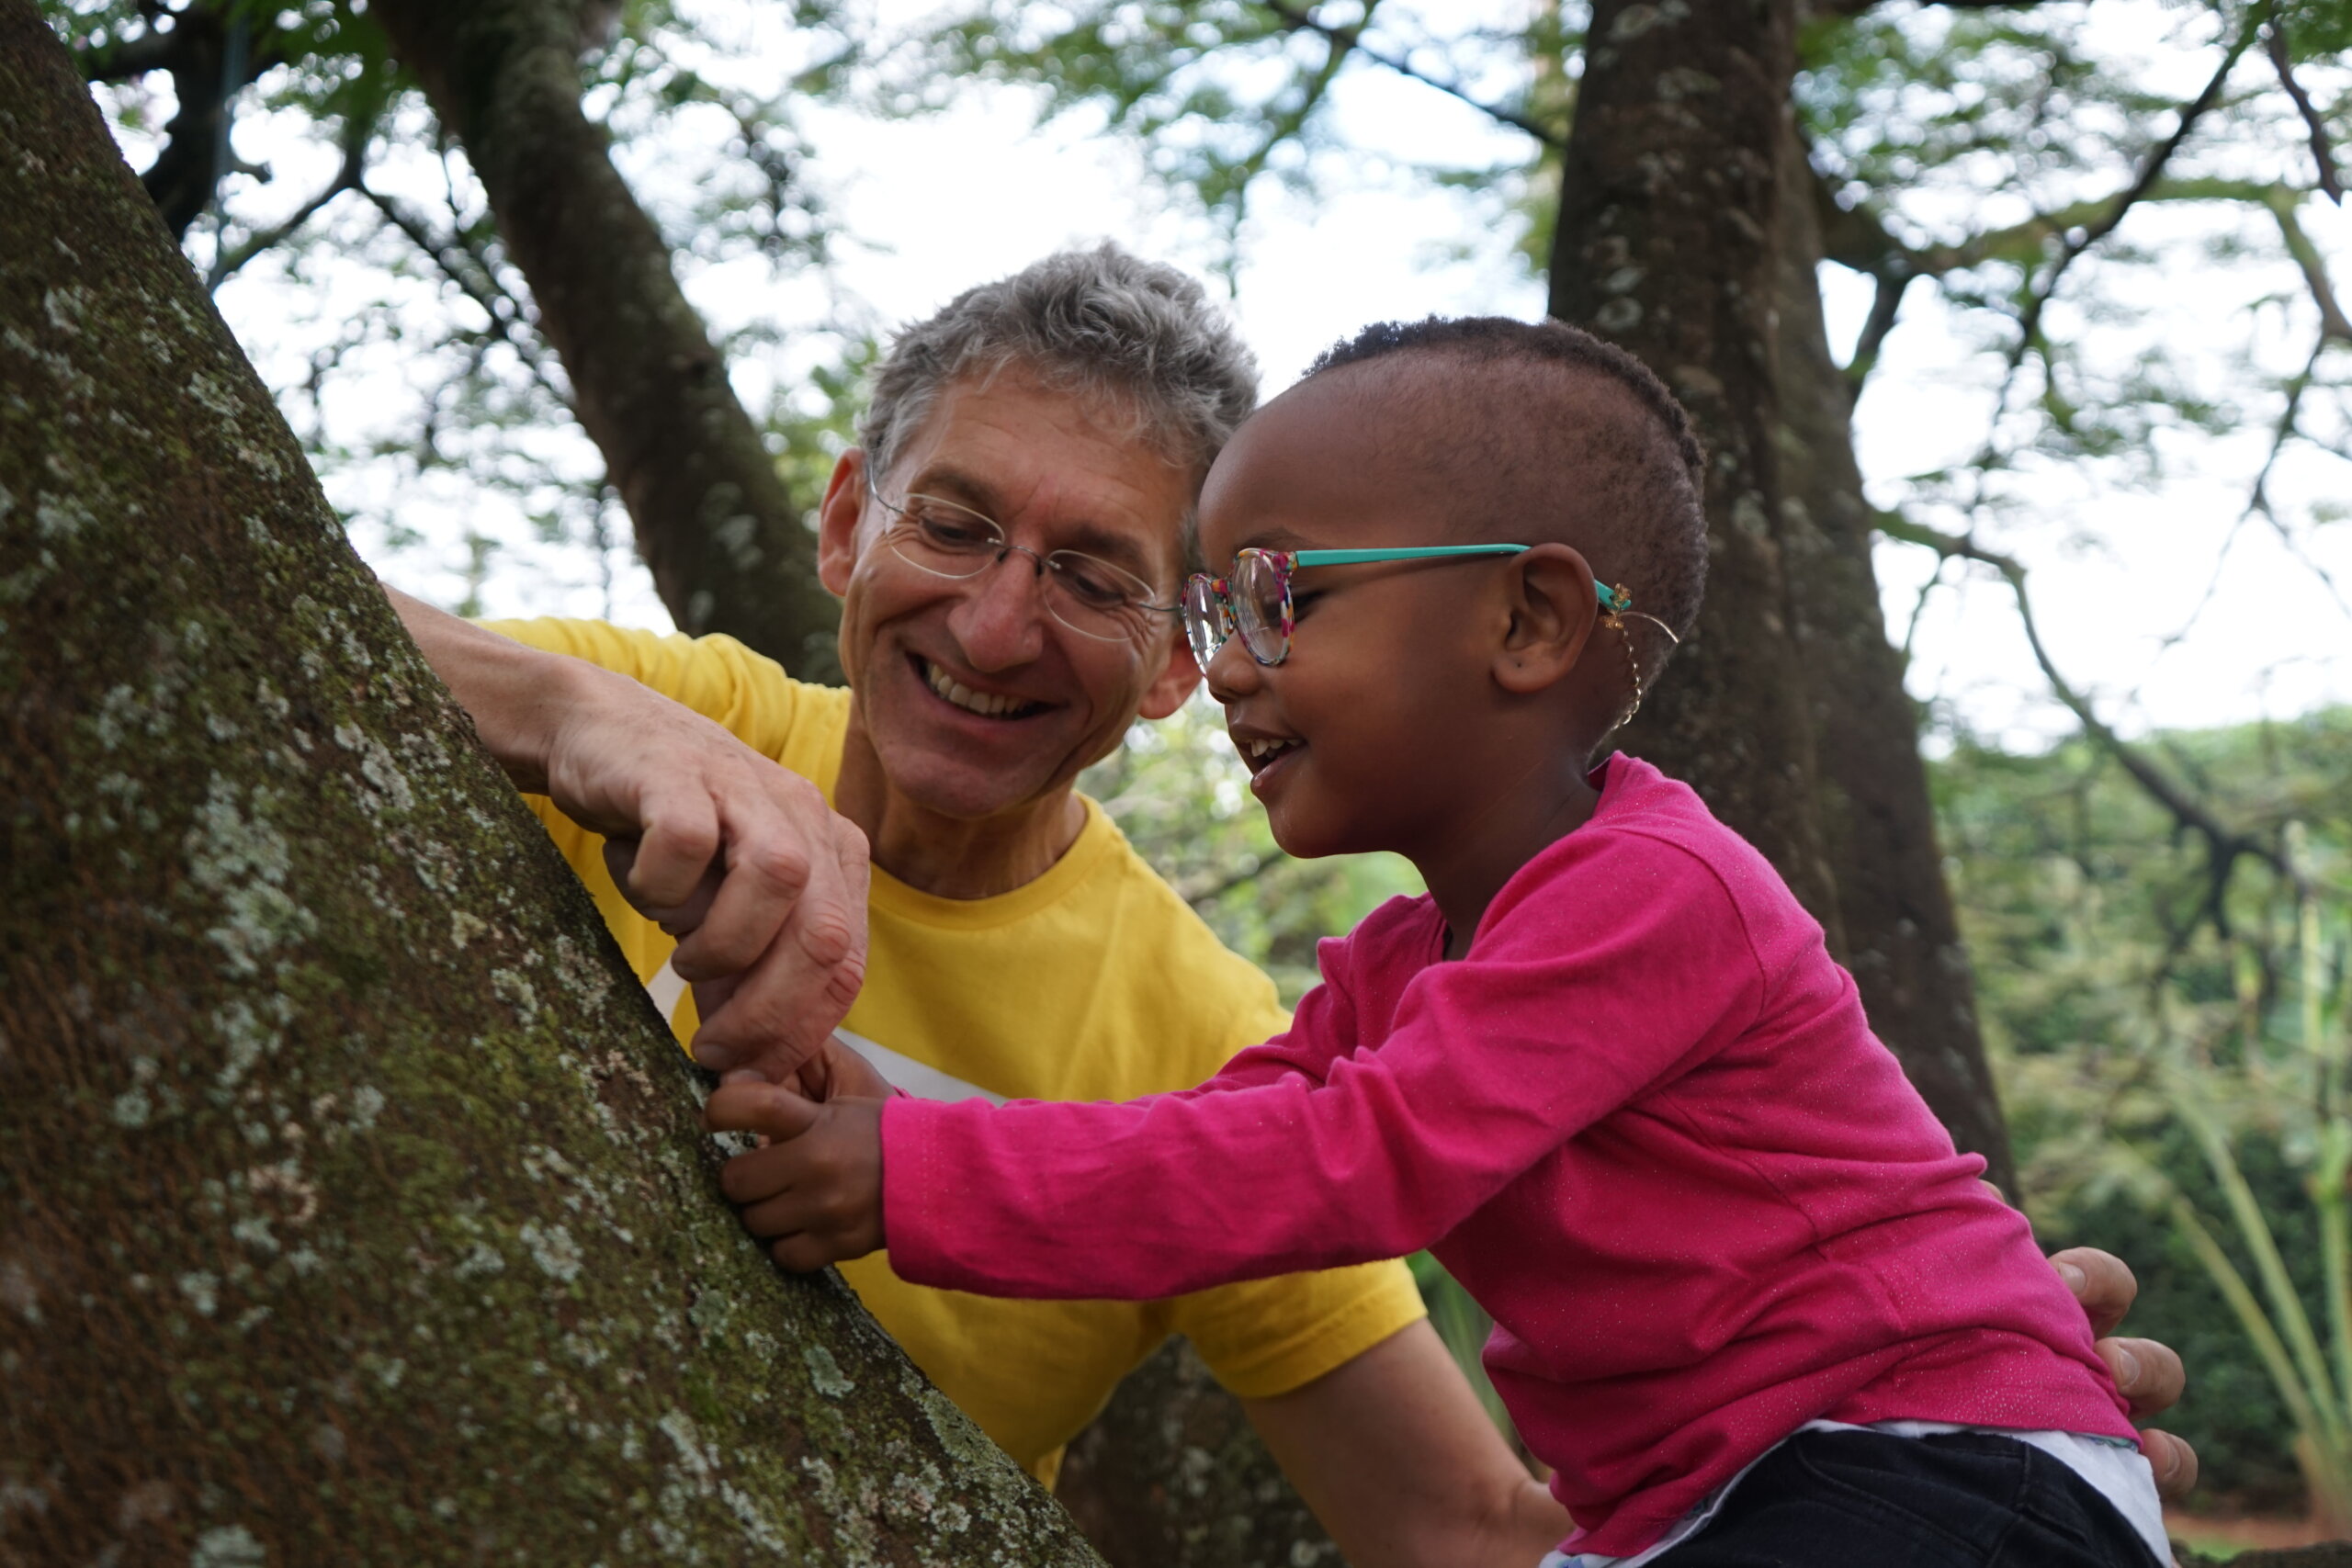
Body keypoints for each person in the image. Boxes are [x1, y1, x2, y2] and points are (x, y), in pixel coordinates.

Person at [384, 247, 2194, 1567]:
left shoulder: (1577, 909)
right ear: (848, 520)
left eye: (1110, 578)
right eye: (956, 528)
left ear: (1169, 659)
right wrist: (565, 712)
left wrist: (1947, 1422)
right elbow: (234, 599)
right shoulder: (628, 712)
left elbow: (1394, 1353)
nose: (1000, 625)